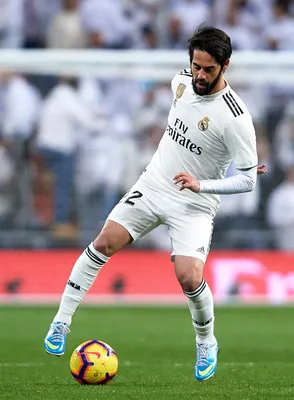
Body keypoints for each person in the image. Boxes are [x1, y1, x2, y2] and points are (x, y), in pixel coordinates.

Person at [44, 25, 266, 381]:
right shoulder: (180, 82)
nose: (200, 75)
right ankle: (61, 322)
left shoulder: (236, 118)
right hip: (153, 185)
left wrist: (201, 184)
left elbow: (248, 179)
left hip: (195, 203)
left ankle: (207, 342)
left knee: (188, 276)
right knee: (104, 242)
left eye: (209, 69)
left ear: (225, 66)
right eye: (196, 65)